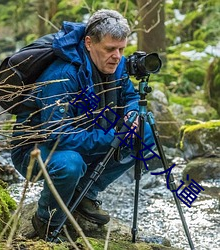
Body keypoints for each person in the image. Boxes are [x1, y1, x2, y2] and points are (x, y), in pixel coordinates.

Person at [11, 9, 155, 241]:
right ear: (89, 43)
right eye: (110, 49)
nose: (117, 56)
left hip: (85, 135)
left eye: (122, 49)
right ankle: (46, 221)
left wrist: (132, 115)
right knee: (70, 164)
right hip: (36, 149)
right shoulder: (62, 75)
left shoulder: (115, 64)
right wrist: (113, 138)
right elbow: (58, 136)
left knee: (145, 131)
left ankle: (85, 193)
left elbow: (129, 96)